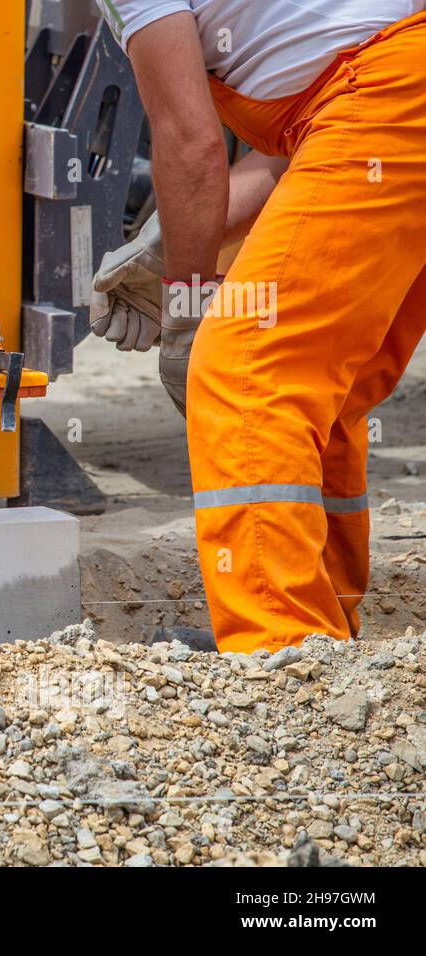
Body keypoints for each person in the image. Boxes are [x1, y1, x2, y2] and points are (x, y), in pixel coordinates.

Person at [91, 1, 426, 652]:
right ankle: (325, 637)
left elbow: (192, 145)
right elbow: (297, 154)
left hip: (388, 102)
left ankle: (279, 654)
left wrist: (187, 311)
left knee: (245, 371)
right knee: (326, 390)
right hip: (391, 103)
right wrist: (171, 247)